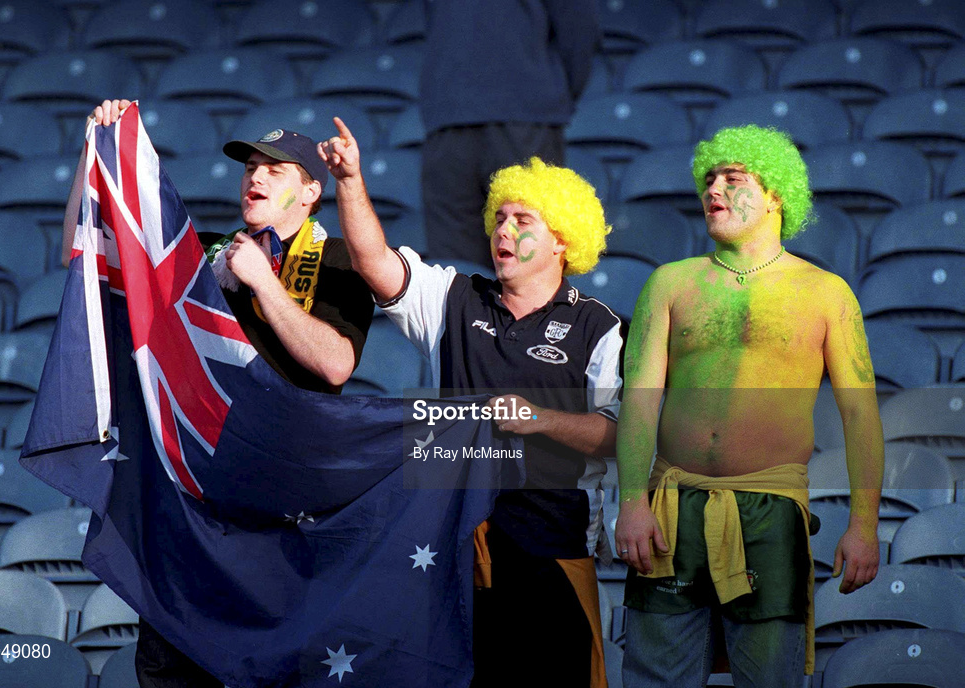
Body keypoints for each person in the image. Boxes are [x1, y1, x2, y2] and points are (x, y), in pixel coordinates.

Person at [63, 100, 375, 688]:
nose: (255, 176)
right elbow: (83, 255)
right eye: (250, 166)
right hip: (191, 504)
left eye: (275, 169)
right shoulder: (200, 252)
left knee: (274, 668)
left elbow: (335, 363)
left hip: (281, 511)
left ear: (311, 193)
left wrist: (263, 283)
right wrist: (94, 153)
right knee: (172, 666)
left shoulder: (339, 263)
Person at [318, 117, 622, 687]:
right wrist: (351, 180)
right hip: (453, 549)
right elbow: (374, 263)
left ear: (562, 239)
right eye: (499, 218)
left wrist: (541, 420)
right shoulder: (453, 298)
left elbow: (618, 434)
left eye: (522, 220)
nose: (503, 230)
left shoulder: (597, 326)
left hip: (553, 546)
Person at [614, 125, 884, 687]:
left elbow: (860, 415)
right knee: (653, 677)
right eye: (708, 179)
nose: (714, 190)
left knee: (770, 680)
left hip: (771, 511)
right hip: (671, 508)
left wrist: (863, 523)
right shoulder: (668, 283)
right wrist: (632, 501)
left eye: (733, 179)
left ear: (776, 195)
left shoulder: (827, 291)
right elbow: (639, 402)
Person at [419, 0, 600, 265]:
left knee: (457, 269)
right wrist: (553, 91)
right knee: (526, 263)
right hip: (523, 114)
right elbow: (581, 28)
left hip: (451, 112)